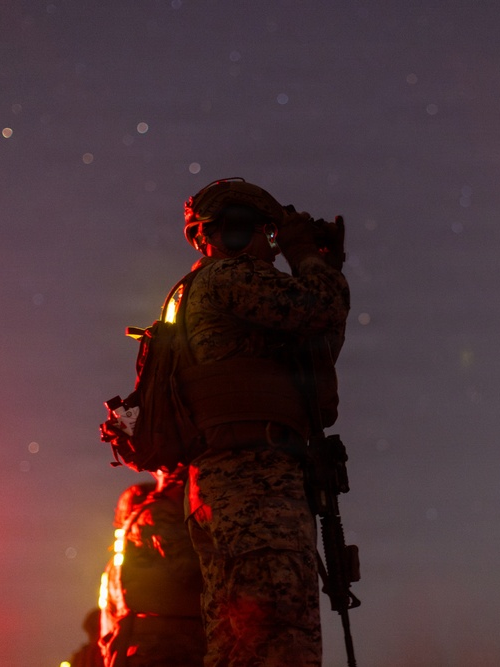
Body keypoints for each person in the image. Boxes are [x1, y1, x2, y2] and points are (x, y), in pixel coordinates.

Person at [176, 178, 350, 666]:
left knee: (240, 652)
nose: (271, 250)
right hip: (255, 488)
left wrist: (320, 265)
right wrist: (307, 255)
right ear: (233, 231)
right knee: (281, 643)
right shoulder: (231, 277)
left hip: (226, 486)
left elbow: (316, 348)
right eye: (266, 235)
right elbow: (323, 306)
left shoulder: (202, 290)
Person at [99, 473, 205, 667]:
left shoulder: (116, 563)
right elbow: (189, 572)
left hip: (149, 648)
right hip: (169, 648)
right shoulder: (161, 514)